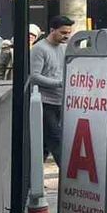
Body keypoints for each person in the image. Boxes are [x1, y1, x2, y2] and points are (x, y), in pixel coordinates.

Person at [31, 17, 72, 166]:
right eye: (63, 32)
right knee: (56, 139)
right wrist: (59, 84)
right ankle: (68, 174)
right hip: (45, 102)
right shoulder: (39, 49)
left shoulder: (64, 48)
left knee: (46, 144)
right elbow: (34, 76)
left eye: (68, 33)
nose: (66, 36)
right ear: (52, 30)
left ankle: (32, 175)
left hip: (61, 102)